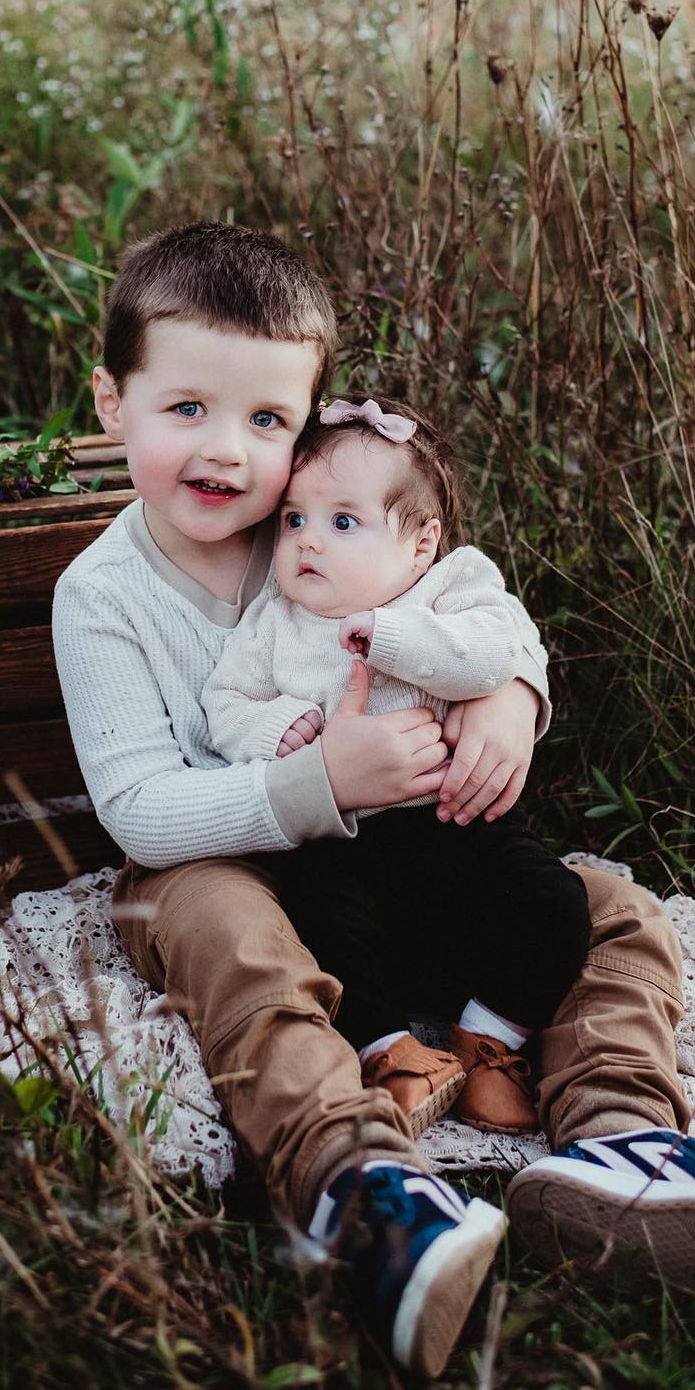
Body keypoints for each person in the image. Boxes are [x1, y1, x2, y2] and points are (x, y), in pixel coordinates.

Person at [52, 221, 695, 1378]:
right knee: (225, 930)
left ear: (308, 428)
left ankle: (626, 1147)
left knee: (609, 908)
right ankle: (362, 1184)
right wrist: (319, 781)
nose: (227, 452)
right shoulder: (102, 595)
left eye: (267, 420)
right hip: (228, 860)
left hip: (395, 864)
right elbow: (140, 812)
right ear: (113, 403)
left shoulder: (321, 518)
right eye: (186, 410)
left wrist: (514, 695)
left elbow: (487, 606)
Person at [201, 392, 592, 1138]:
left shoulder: (451, 586)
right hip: (343, 846)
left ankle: (488, 1041)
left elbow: (490, 653)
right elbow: (226, 703)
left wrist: (391, 638)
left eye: (343, 522)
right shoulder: (275, 621)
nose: (309, 541)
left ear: (420, 544)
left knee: (555, 902)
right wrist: (278, 726)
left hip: (461, 830)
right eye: (294, 519)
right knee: (309, 919)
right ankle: (396, 1051)